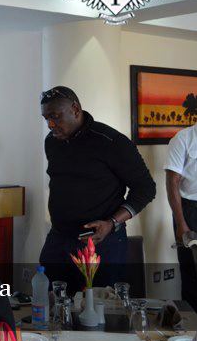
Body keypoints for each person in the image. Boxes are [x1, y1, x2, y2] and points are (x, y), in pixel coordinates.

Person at [39, 86, 156, 294]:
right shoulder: (52, 141)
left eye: (55, 116)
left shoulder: (112, 142)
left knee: (101, 306)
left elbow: (146, 188)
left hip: (102, 241)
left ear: (75, 109)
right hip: (59, 239)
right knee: (51, 301)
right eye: (46, 118)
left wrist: (112, 222)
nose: (50, 124)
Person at [165, 98, 197, 315]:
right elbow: (173, 182)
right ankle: (194, 326)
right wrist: (181, 224)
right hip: (190, 212)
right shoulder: (183, 139)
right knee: (193, 272)